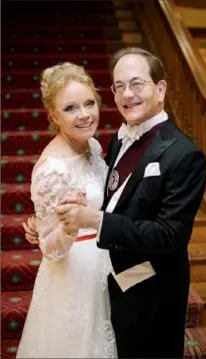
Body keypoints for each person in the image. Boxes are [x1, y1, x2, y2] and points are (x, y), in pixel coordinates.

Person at [24, 47, 206, 358]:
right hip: (106, 281)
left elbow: (169, 236)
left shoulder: (184, 154)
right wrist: (53, 226)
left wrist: (92, 221)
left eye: (137, 84)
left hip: (154, 293)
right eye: (119, 86)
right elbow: (111, 197)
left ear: (159, 89)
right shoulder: (116, 139)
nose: (127, 94)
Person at [16, 62, 117, 358]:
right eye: (71, 108)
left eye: (89, 103)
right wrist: (68, 228)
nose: (84, 114)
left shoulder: (94, 146)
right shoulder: (51, 169)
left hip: (104, 263)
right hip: (74, 278)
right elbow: (50, 248)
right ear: (54, 116)